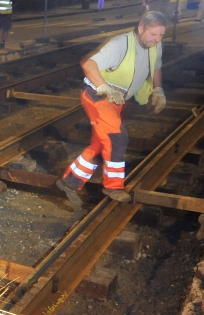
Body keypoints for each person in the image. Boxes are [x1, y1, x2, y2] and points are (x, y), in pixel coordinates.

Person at [55, 11, 169, 205]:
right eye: (153, 35)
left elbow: (155, 67)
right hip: (98, 95)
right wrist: (104, 87)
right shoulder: (120, 44)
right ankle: (113, 187)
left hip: (117, 101)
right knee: (117, 138)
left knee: (101, 143)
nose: (157, 39)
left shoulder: (155, 46)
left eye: (161, 35)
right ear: (141, 29)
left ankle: (69, 182)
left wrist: (158, 90)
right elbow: (89, 65)